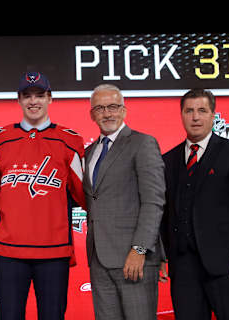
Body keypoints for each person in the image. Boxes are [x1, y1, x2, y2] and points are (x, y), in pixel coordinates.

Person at [0, 72, 86, 320]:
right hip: (9, 252)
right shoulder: (0, 140)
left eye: (40, 95)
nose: (33, 101)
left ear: (50, 98)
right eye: (27, 96)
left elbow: (85, 196)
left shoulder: (70, 141)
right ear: (18, 100)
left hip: (53, 252)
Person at [160, 88, 229, 320]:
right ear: (181, 115)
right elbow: (164, 213)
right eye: (189, 111)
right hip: (183, 267)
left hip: (226, 265)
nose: (195, 117)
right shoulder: (168, 159)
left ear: (213, 115)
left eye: (202, 111)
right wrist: (162, 255)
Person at [83, 84, 165, 320]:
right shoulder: (89, 152)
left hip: (133, 258)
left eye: (113, 106)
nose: (107, 113)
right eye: (100, 108)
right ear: (92, 114)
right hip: (99, 259)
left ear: (124, 110)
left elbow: (154, 201)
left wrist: (139, 249)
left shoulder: (143, 143)